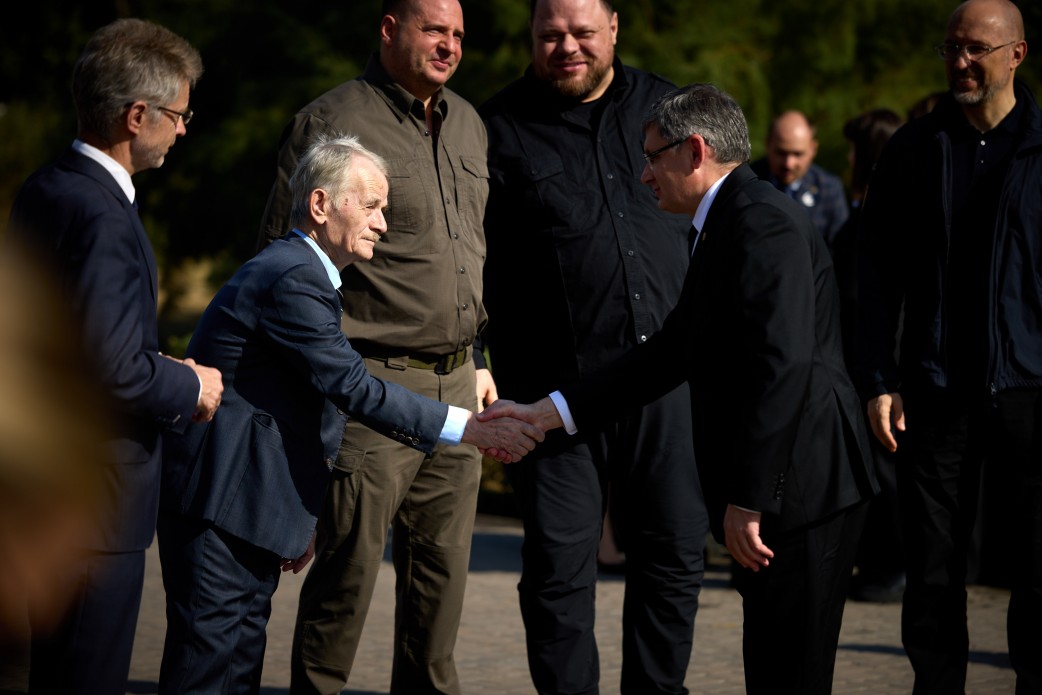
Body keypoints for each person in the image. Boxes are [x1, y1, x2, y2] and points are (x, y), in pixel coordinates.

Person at [481, 83, 878, 695]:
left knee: (792, 672)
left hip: (802, 488)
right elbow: (664, 357)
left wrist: (749, 497)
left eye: (651, 157)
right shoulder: (723, 221)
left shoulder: (761, 222)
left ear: (694, 151)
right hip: (780, 490)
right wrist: (547, 412)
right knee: (771, 668)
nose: (642, 176)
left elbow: (783, 364)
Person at [157, 134, 541, 693]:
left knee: (234, 669)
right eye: (371, 205)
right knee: (207, 673)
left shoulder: (304, 274)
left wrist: (301, 516)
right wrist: (468, 426)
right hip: (220, 511)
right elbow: (352, 386)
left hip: (244, 511)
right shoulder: (293, 276)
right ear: (320, 206)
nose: (384, 223)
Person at [256, 2, 491, 692]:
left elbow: (475, 254)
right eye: (432, 30)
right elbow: (281, 263)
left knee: (441, 590)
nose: (447, 45)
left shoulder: (472, 126)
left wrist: (480, 356)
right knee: (344, 584)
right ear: (389, 30)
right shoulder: (331, 122)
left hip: (458, 388)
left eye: (457, 35)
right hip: (368, 389)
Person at [478, 1, 708, 693]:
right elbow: (472, 257)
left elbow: (719, 218)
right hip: (553, 395)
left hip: (666, 381)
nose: (567, 47)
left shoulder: (670, 106)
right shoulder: (495, 128)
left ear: (613, 28)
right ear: (532, 36)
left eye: (583, 33)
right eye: (552, 35)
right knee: (556, 571)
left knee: (672, 558)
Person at [4, 18, 224, 694]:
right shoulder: (102, 215)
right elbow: (112, 367)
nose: (184, 129)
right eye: (180, 115)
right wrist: (190, 387)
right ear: (138, 115)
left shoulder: (46, 188)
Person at [855, 0, 1042, 692]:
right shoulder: (913, 150)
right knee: (933, 573)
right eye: (951, 49)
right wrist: (878, 377)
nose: (960, 63)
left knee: (1039, 570)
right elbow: (872, 277)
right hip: (935, 394)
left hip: (1030, 392)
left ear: (1016, 55)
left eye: (977, 50)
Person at [829, 108, 906, 604]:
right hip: (879, 366)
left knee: (884, 475)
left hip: (876, 370)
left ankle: (889, 565)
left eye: (856, 151)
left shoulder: (874, 226)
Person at [750, 110, 849, 250]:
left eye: (797, 154)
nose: (788, 164)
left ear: (813, 149)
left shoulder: (829, 189)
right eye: (781, 153)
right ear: (768, 145)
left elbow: (840, 251)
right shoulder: (748, 183)